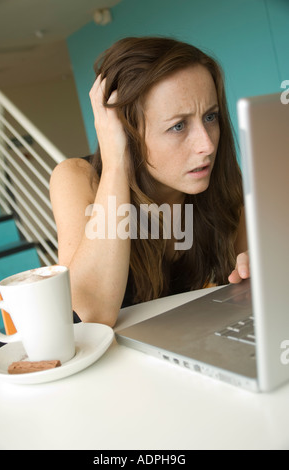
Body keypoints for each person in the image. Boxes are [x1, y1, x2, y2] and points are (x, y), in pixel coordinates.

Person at [50, 36, 250, 327]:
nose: (206, 145)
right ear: (125, 130)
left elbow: (250, 281)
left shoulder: (223, 180)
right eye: (178, 126)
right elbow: (91, 313)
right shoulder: (76, 178)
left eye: (210, 117)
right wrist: (117, 158)